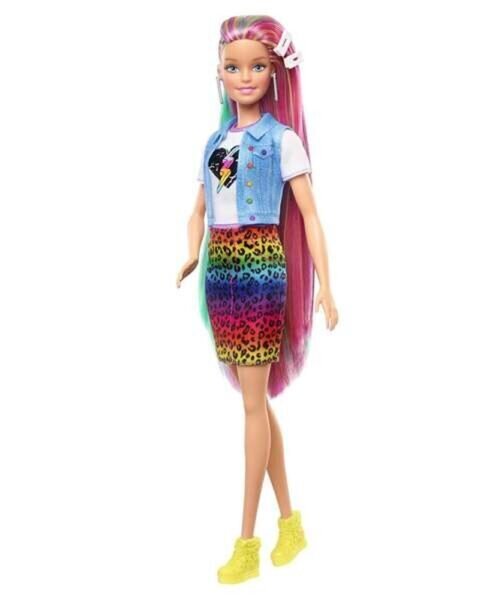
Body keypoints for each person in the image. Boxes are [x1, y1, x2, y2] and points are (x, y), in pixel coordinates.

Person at [176, 14, 339, 584]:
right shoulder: (217, 142)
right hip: (221, 271)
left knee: (251, 405)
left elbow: (310, 214)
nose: (244, 77)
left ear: (274, 73)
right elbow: (200, 209)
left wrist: (325, 284)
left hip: (259, 269)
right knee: (255, 403)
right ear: (218, 73)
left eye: (256, 67)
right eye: (233, 67)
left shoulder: (281, 140)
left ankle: (247, 542)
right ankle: (291, 525)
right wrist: (192, 252)